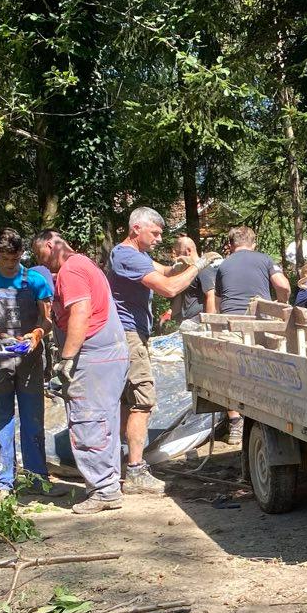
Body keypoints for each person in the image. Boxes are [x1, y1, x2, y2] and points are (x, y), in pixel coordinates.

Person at [107, 206, 210, 494]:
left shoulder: (136, 255)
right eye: (155, 232)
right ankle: (137, 471)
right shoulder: (126, 254)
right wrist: (197, 267)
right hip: (129, 335)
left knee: (127, 402)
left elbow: (163, 271)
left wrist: (181, 264)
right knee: (143, 400)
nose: (158, 238)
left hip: (130, 334)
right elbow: (167, 287)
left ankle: (120, 463)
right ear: (136, 229)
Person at [32, 230, 130, 515]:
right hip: (108, 354)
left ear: (51, 245)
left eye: (41, 255)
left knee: (88, 422)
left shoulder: (71, 270)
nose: (45, 263)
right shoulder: (86, 263)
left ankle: (103, 490)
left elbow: (80, 313)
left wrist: (66, 359)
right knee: (104, 421)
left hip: (92, 357)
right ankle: (108, 485)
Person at [0, 228, 60, 498]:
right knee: (0, 419)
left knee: (32, 419)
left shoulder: (35, 281)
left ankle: (37, 479)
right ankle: (4, 479)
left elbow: (47, 320)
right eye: (4, 257)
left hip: (29, 359)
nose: (9, 263)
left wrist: (38, 333)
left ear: (21, 253)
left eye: (14, 257)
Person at [212, 225, 292, 443]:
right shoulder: (265, 259)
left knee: (231, 371)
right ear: (253, 243)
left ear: (230, 245)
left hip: (233, 324)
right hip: (260, 324)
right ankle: (271, 415)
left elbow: (218, 303)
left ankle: (236, 424)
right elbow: (282, 285)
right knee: (266, 368)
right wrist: (282, 304)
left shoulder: (223, 265)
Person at [168, 233, 220, 328]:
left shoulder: (202, 269)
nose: (176, 258)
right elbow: (182, 296)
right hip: (187, 321)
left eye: (178, 253)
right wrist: (169, 313)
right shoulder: (188, 271)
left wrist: (208, 324)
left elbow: (211, 295)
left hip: (198, 322)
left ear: (188, 251)